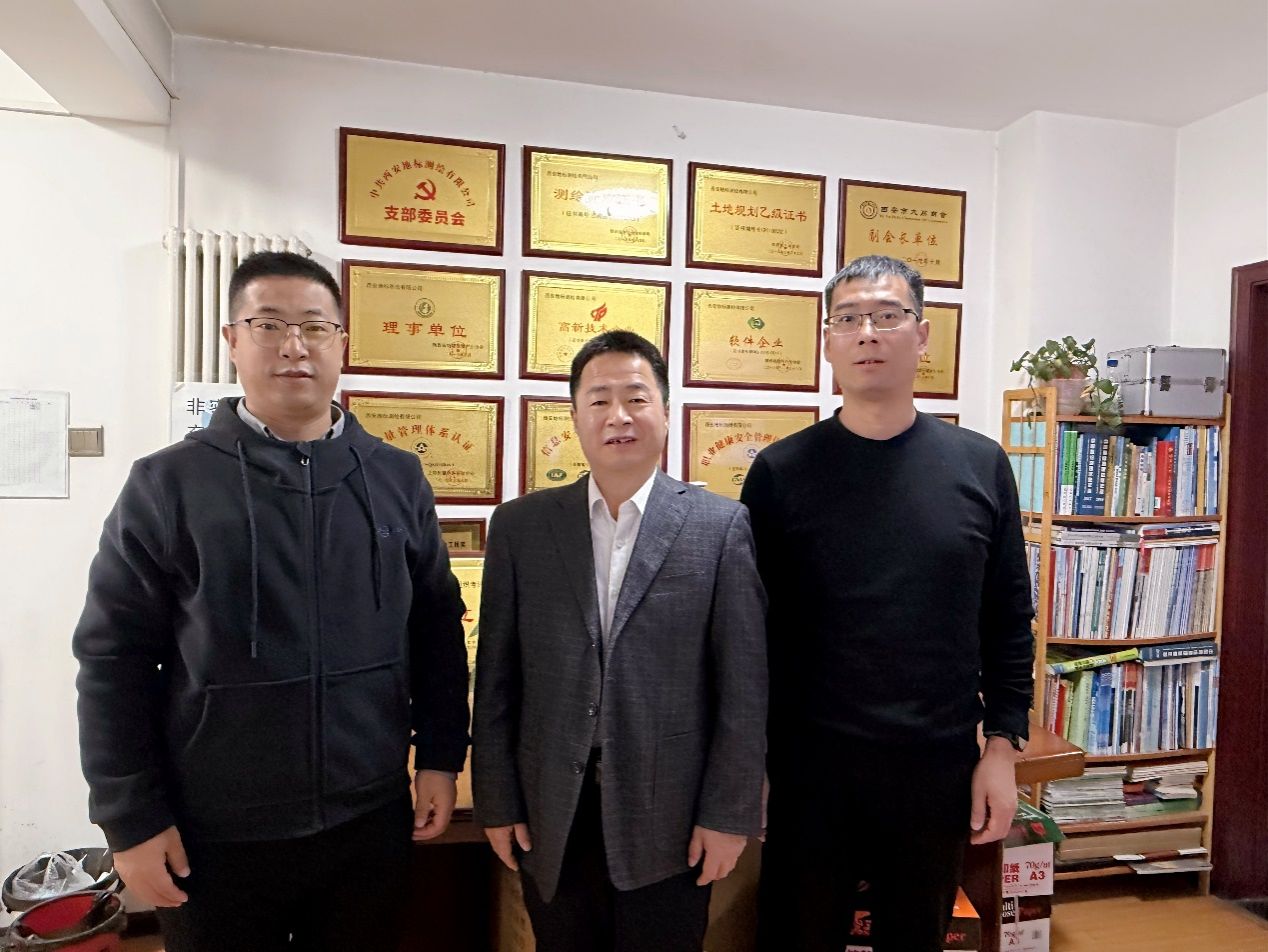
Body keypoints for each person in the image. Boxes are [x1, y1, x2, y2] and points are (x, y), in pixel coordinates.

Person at [72, 251, 470, 951]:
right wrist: (129, 818)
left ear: (341, 343)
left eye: (315, 326)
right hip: (215, 832)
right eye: (269, 325)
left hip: (367, 820)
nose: (294, 345)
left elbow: (436, 629)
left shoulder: (396, 478)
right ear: (232, 340)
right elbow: (113, 659)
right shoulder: (168, 485)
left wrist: (440, 755)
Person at [742, 255, 1035, 952]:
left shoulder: (979, 464)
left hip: (934, 765)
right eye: (848, 319)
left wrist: (1001, 750)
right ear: (828, 342)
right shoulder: (780, 472)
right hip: (807, 767)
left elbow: (1007, 618)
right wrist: (748, 762)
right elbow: (748, 635)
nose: (867, 332)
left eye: (887, 316)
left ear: (922, 334)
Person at [472, 330, 767, 952]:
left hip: (674, 815)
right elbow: (498, 678)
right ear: (575, 417)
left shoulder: (719, 527)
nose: (619, 416)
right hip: (552, 812)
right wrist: (497, 801)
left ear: (666, 410)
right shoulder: (523, 527)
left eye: (636, 397)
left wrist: (728, 814)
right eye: (599, 399)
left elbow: (743, 689)